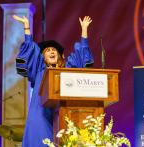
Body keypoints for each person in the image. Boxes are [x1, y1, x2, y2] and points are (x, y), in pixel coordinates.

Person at [13, 15, 94, 147]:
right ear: (43, 57)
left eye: (54, 50)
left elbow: (80, 58)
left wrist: (84, 30)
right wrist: (27, 27)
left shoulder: (67, 69)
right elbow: (31, 51)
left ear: (60, 56)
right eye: (47, 50)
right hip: (40, 116)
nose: (51, 51)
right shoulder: (39, 69)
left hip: (63, 115)